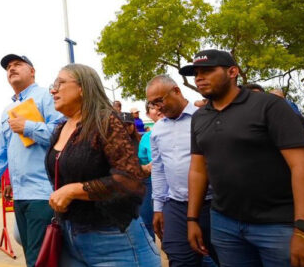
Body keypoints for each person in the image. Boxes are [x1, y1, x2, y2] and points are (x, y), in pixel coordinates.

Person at [182, 49, 304, 266]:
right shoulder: (199, 117)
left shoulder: (268, 105)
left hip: (279, 224)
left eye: (207, 71)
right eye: (196, 73)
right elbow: (198, 170)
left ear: (232, 72)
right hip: (225, 224)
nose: (199, 77)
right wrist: (192, 219)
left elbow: (303, 166)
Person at [46, 63, 159, 266]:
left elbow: (129, 180)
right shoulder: (61, 128)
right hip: (70, 238)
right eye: (53, 85)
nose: (53, 90)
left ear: (82, 87)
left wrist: (73, 190)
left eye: (60, 83)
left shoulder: (106, 122)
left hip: (114, 240)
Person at [0, 54, 63, 267]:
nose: (11, 69)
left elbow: (62, 134)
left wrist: (28, 127)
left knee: (40, 258)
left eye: (17, 65)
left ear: (32, 71)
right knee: (33, 255)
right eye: (8, 67)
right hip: (20, 194)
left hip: (44, 193)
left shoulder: (47, 97)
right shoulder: (7, 110)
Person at [145, 74, 217, 266]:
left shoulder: (206, 117)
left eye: (159, 100)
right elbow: (159, 170)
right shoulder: (158, 130)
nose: (157, 107)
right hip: (176, 206)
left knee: (224, 258)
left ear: (176, 91)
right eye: (152, 104)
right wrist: (158, 208)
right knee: (179, 259)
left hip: (213, 204)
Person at [137, 102, 163, 242]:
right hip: (153, 186)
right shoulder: (146, 138)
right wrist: (148, 167)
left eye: (159, 106)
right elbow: (141, 166)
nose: (157, 110)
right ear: (148, 114)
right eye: (152, 108)